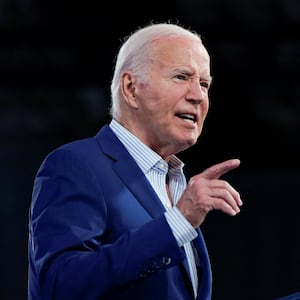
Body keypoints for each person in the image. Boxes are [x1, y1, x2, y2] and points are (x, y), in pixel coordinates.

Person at [28, 22, 243, 300]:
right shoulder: (75, 165)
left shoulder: (177, 182)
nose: (198, 96)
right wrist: (177, 222)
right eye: (181, 77)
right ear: (131, 88)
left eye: (204, 84)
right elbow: (60, 286)